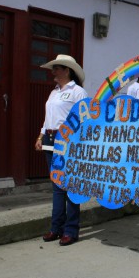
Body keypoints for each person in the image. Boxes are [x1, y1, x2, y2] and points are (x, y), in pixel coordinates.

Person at [35, 55, 88, 246]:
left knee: (70, 185)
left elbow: (85, 119)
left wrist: (78, 142)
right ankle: (55, 228)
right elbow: (48, 117)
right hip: (50, 139)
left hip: (68, 140)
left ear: (67, 70)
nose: (53, 72)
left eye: (56, 68)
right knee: (57, 186)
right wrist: (41, 136)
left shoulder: (78, 92)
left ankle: (71, 230)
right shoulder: (53, 93)